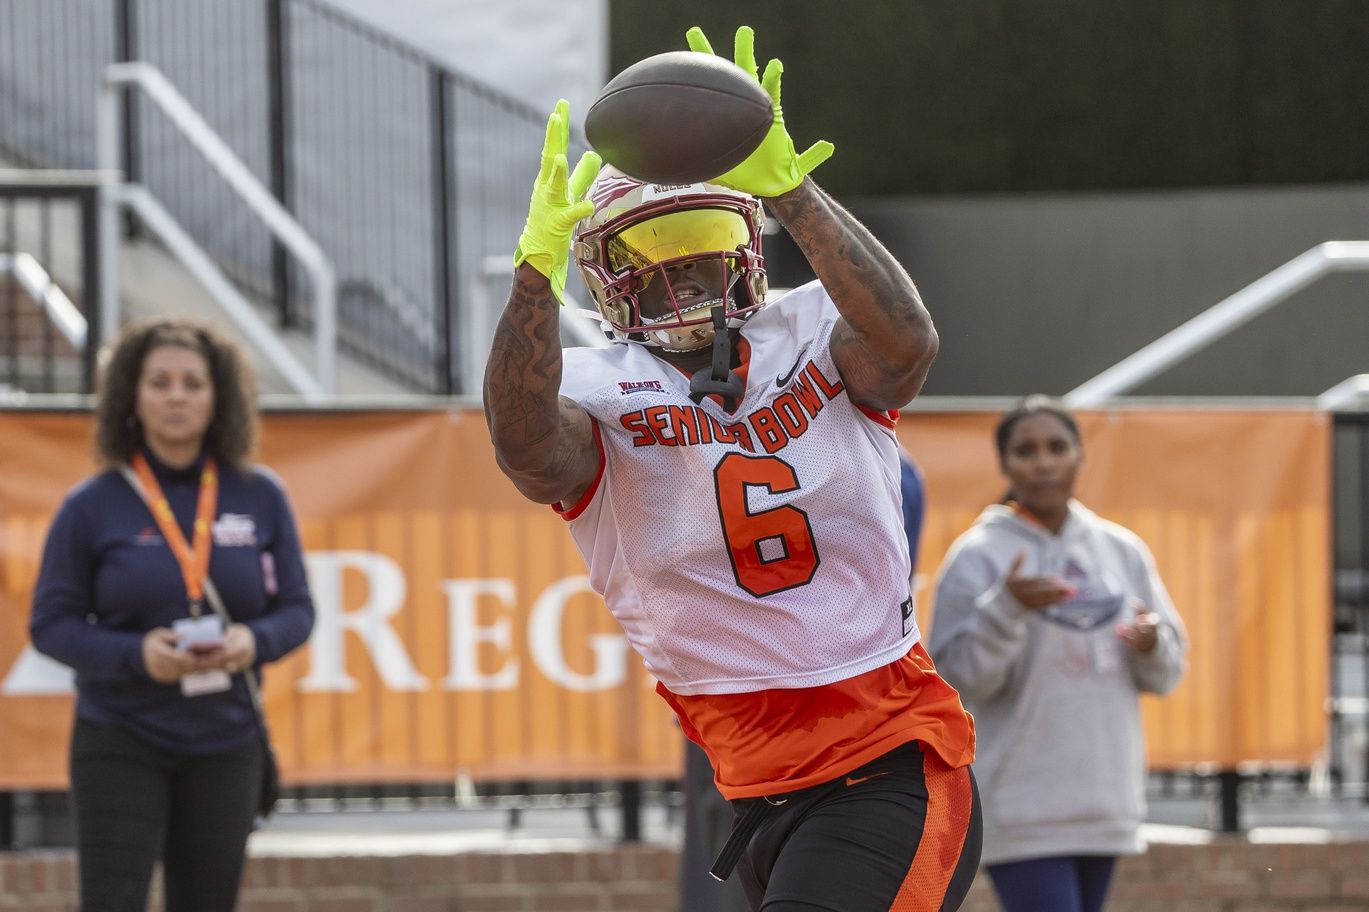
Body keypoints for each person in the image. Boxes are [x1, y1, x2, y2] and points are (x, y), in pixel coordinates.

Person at [484, 24, 980, 912]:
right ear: (602, 278)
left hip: (889, 758)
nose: (688, 271)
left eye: (706, 235)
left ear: (747, 239)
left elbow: (907, 345)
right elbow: (524, 448)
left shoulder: (813, 330)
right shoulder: (598, 392)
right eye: (654, 255)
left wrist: (793, 192)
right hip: (753, 787)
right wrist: (530, 279)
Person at [29, 318, 314, 912]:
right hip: (119, 736)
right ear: (132, 396)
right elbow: (50, 624)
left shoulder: (260, 494)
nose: (177, 396)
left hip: (227, 739)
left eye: (192, 383)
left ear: (219, 396)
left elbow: (297, 611)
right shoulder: (92, 503)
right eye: (160, 383)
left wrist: (250, 641)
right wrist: (136, 657)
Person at [926, 395, 1188, 912]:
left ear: (1079, 455)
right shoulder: (978, 556)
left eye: (1056, 446)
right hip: (1022, 807)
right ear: (1005, 464)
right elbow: (955, 684)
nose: (1042, 461)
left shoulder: (1121, 550)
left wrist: (1153, 642)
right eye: (1026, 450)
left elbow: (1168, 674)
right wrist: (1006, 608)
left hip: (1104, 801)